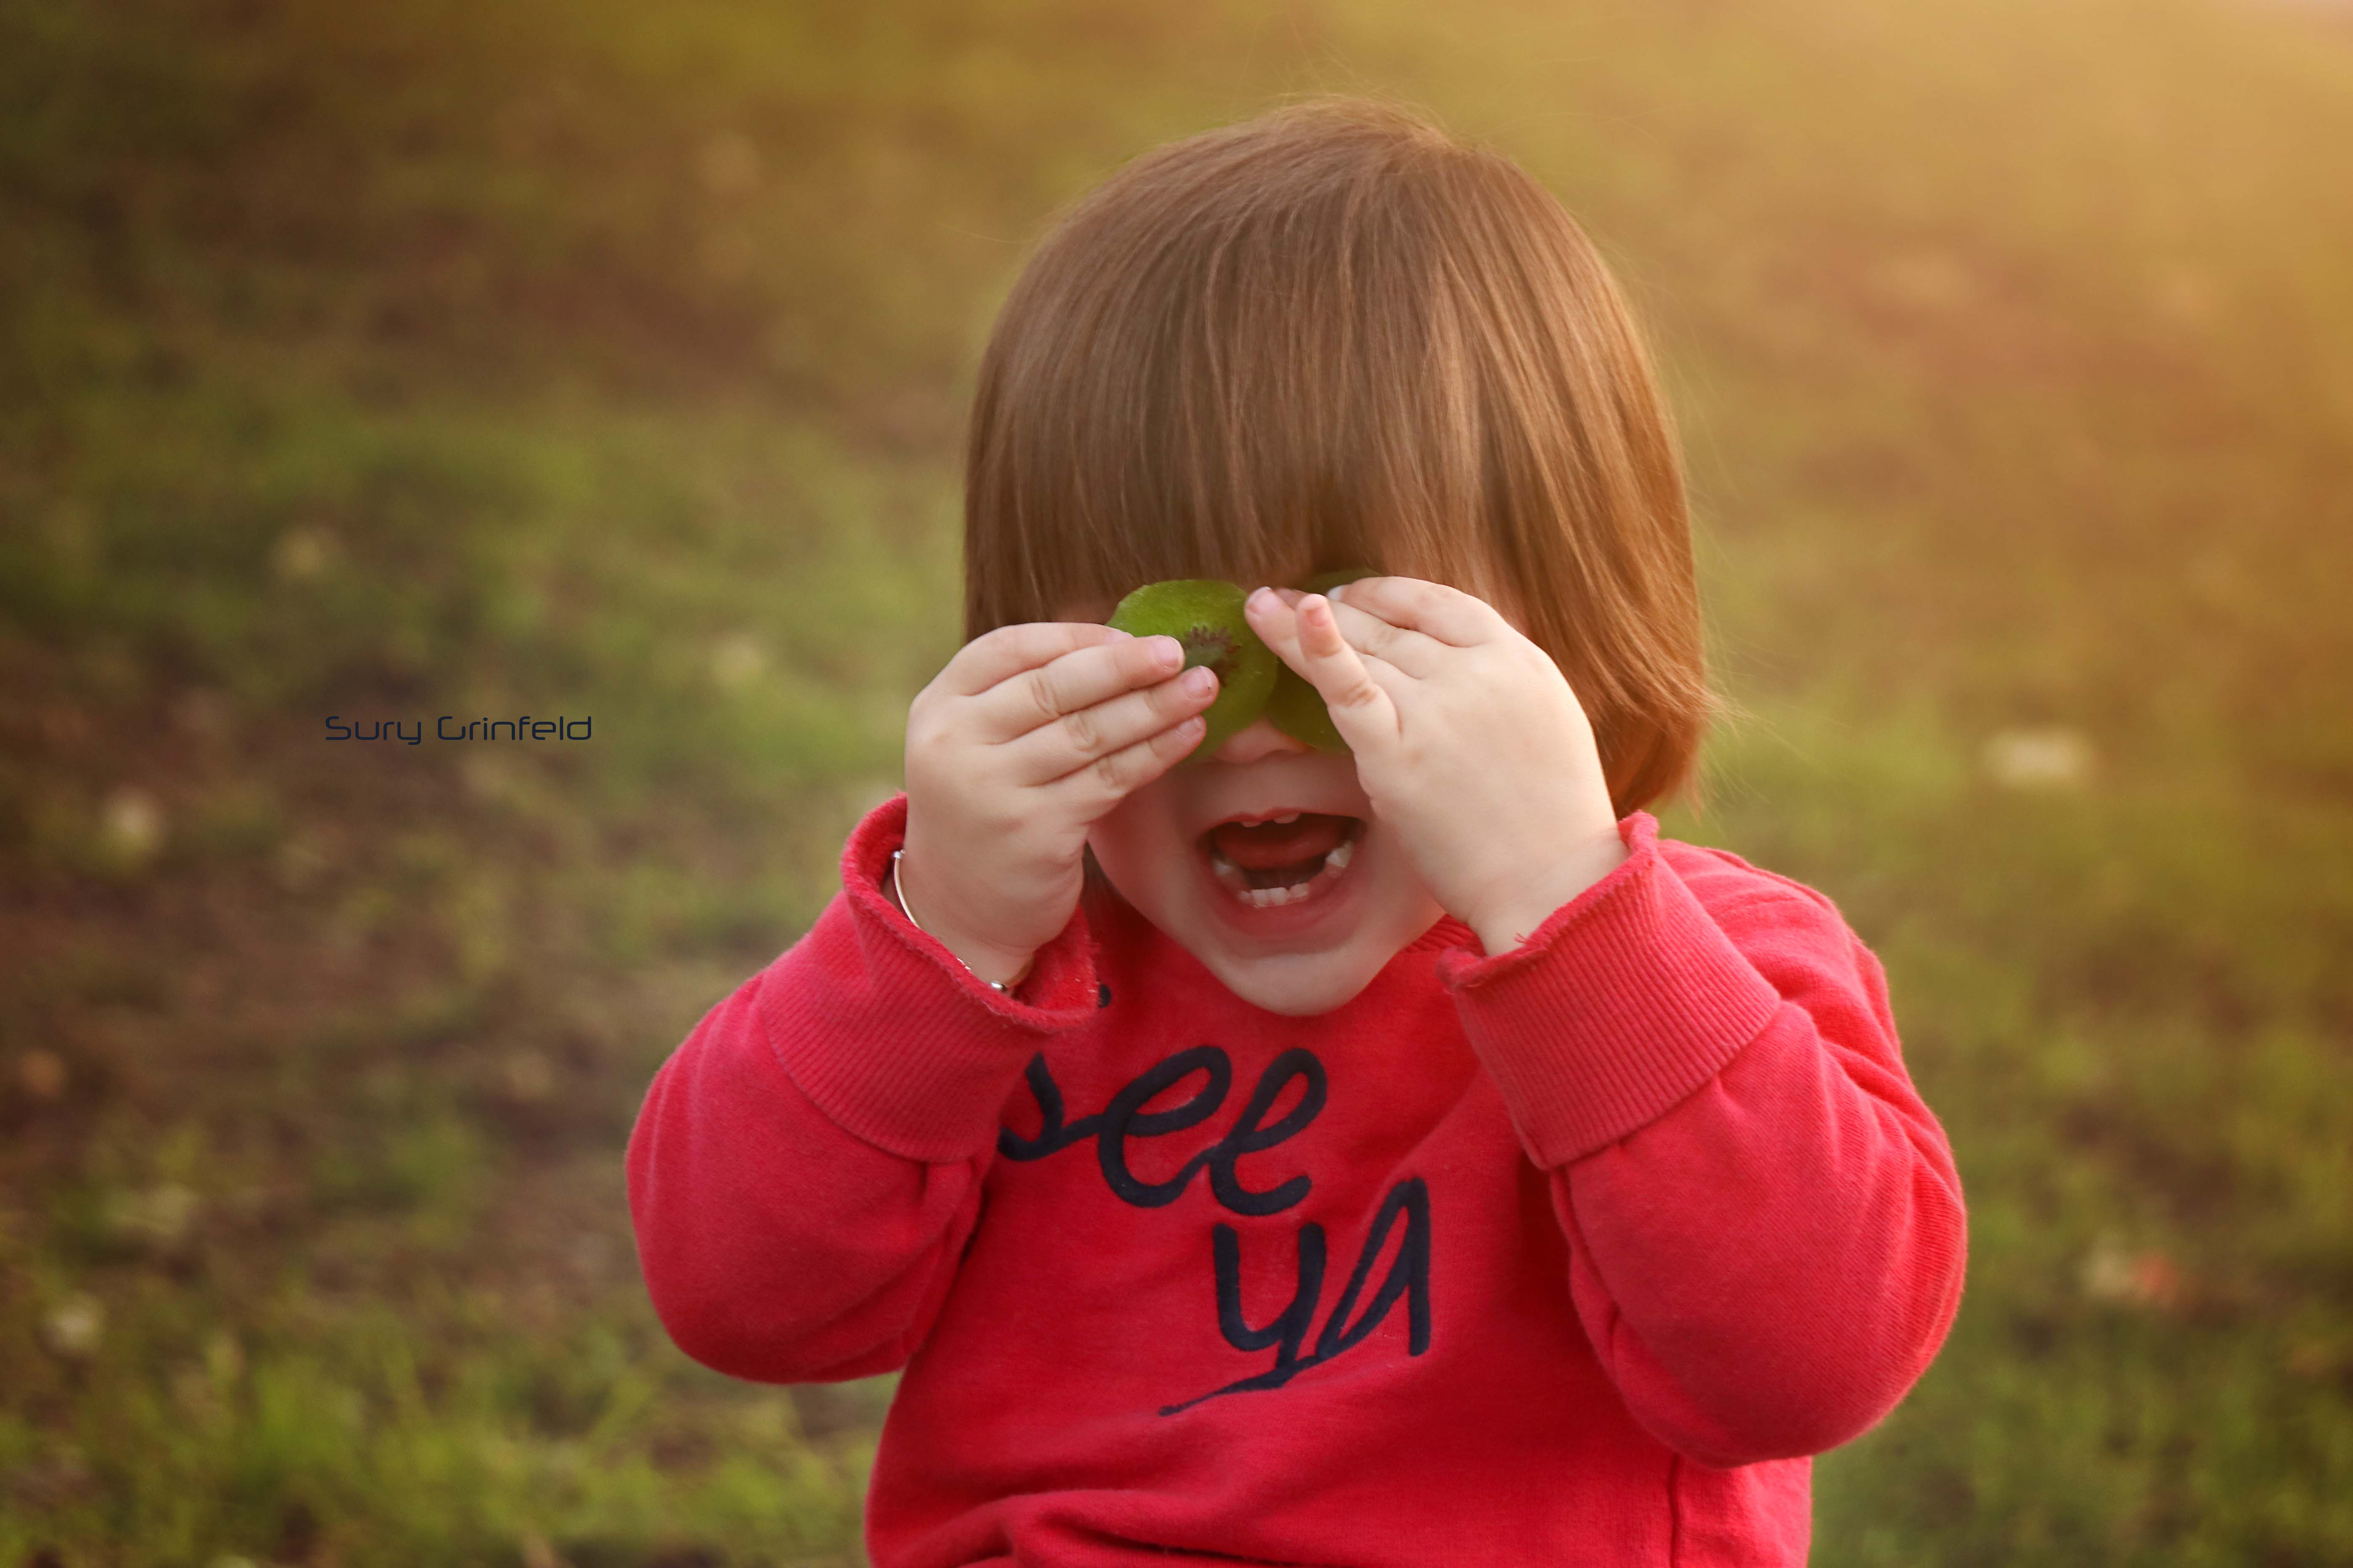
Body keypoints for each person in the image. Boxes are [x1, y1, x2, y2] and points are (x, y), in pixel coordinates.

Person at [627, 97, 1966, 1567]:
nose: (1256, 724)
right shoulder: (993, 978)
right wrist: (940, 931)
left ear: (1571, 644)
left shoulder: (1717, 972)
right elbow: (741, 1302)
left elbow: (1806, 1366)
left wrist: (1564, 906)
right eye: (1177, 636)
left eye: (1353, 620)